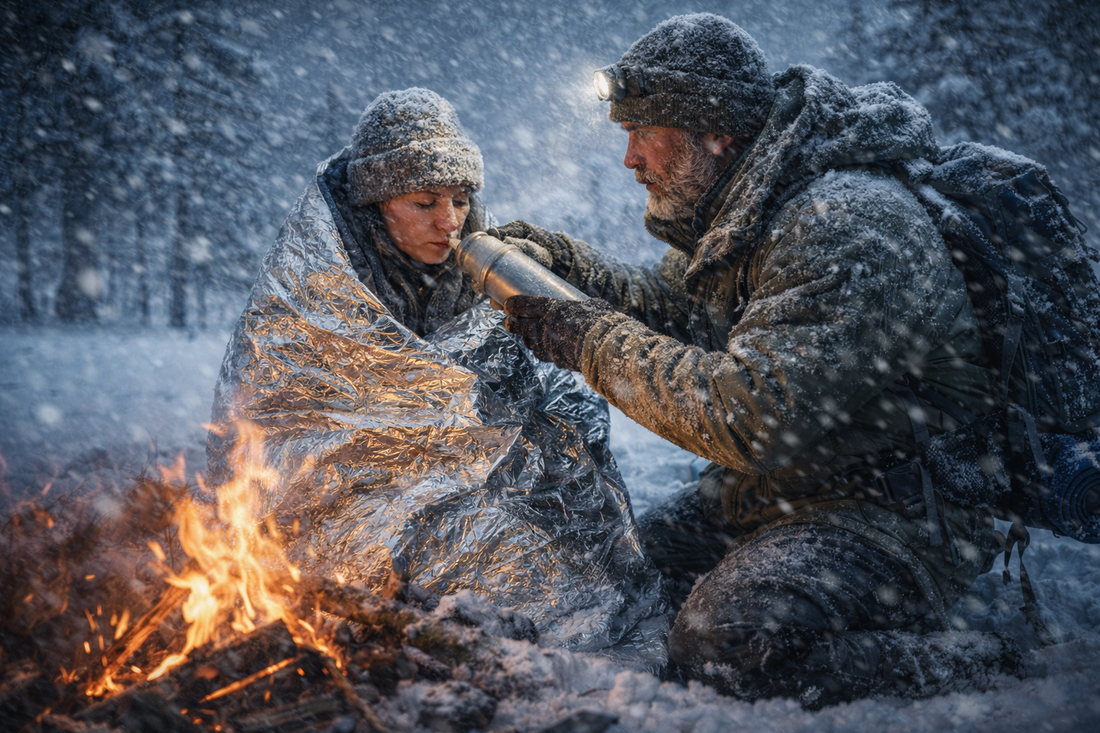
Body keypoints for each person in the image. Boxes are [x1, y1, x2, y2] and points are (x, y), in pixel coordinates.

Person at [493, 13, 1028, 705]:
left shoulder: (846, 225)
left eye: (642, 133)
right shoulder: (742, 212)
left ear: (714, 132)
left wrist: (584, 335)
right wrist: (562, 263)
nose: (629, 159)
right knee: (611, 582)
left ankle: (979, 659)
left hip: (890, 512)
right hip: (784, 490)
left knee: (732, 643)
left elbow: (749, 416)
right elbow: (672, 311)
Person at [206, 88, 668, 659]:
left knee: (569, 550)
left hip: (480, 493)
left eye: (460, 199)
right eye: (425, 202)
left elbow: (530, 385)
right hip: (359, 505)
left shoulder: (479, 274)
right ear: (377, 203)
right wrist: (424, 440)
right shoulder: (317, 295)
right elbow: (286, 428)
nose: (449, 221)